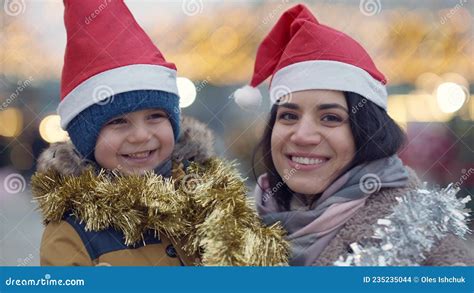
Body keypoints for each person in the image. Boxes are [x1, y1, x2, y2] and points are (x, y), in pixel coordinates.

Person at [32, 0, 288, 266]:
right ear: (87, 139)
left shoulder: (215, 199)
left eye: (155, 117)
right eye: (119, 122)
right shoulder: (70, 235)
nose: (141, 135)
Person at [234, 4, 473, 266]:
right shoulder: (232, 226)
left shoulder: (427, 242)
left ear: (366, 131)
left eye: (330, 118)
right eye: (289, 116)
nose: (302, 136)